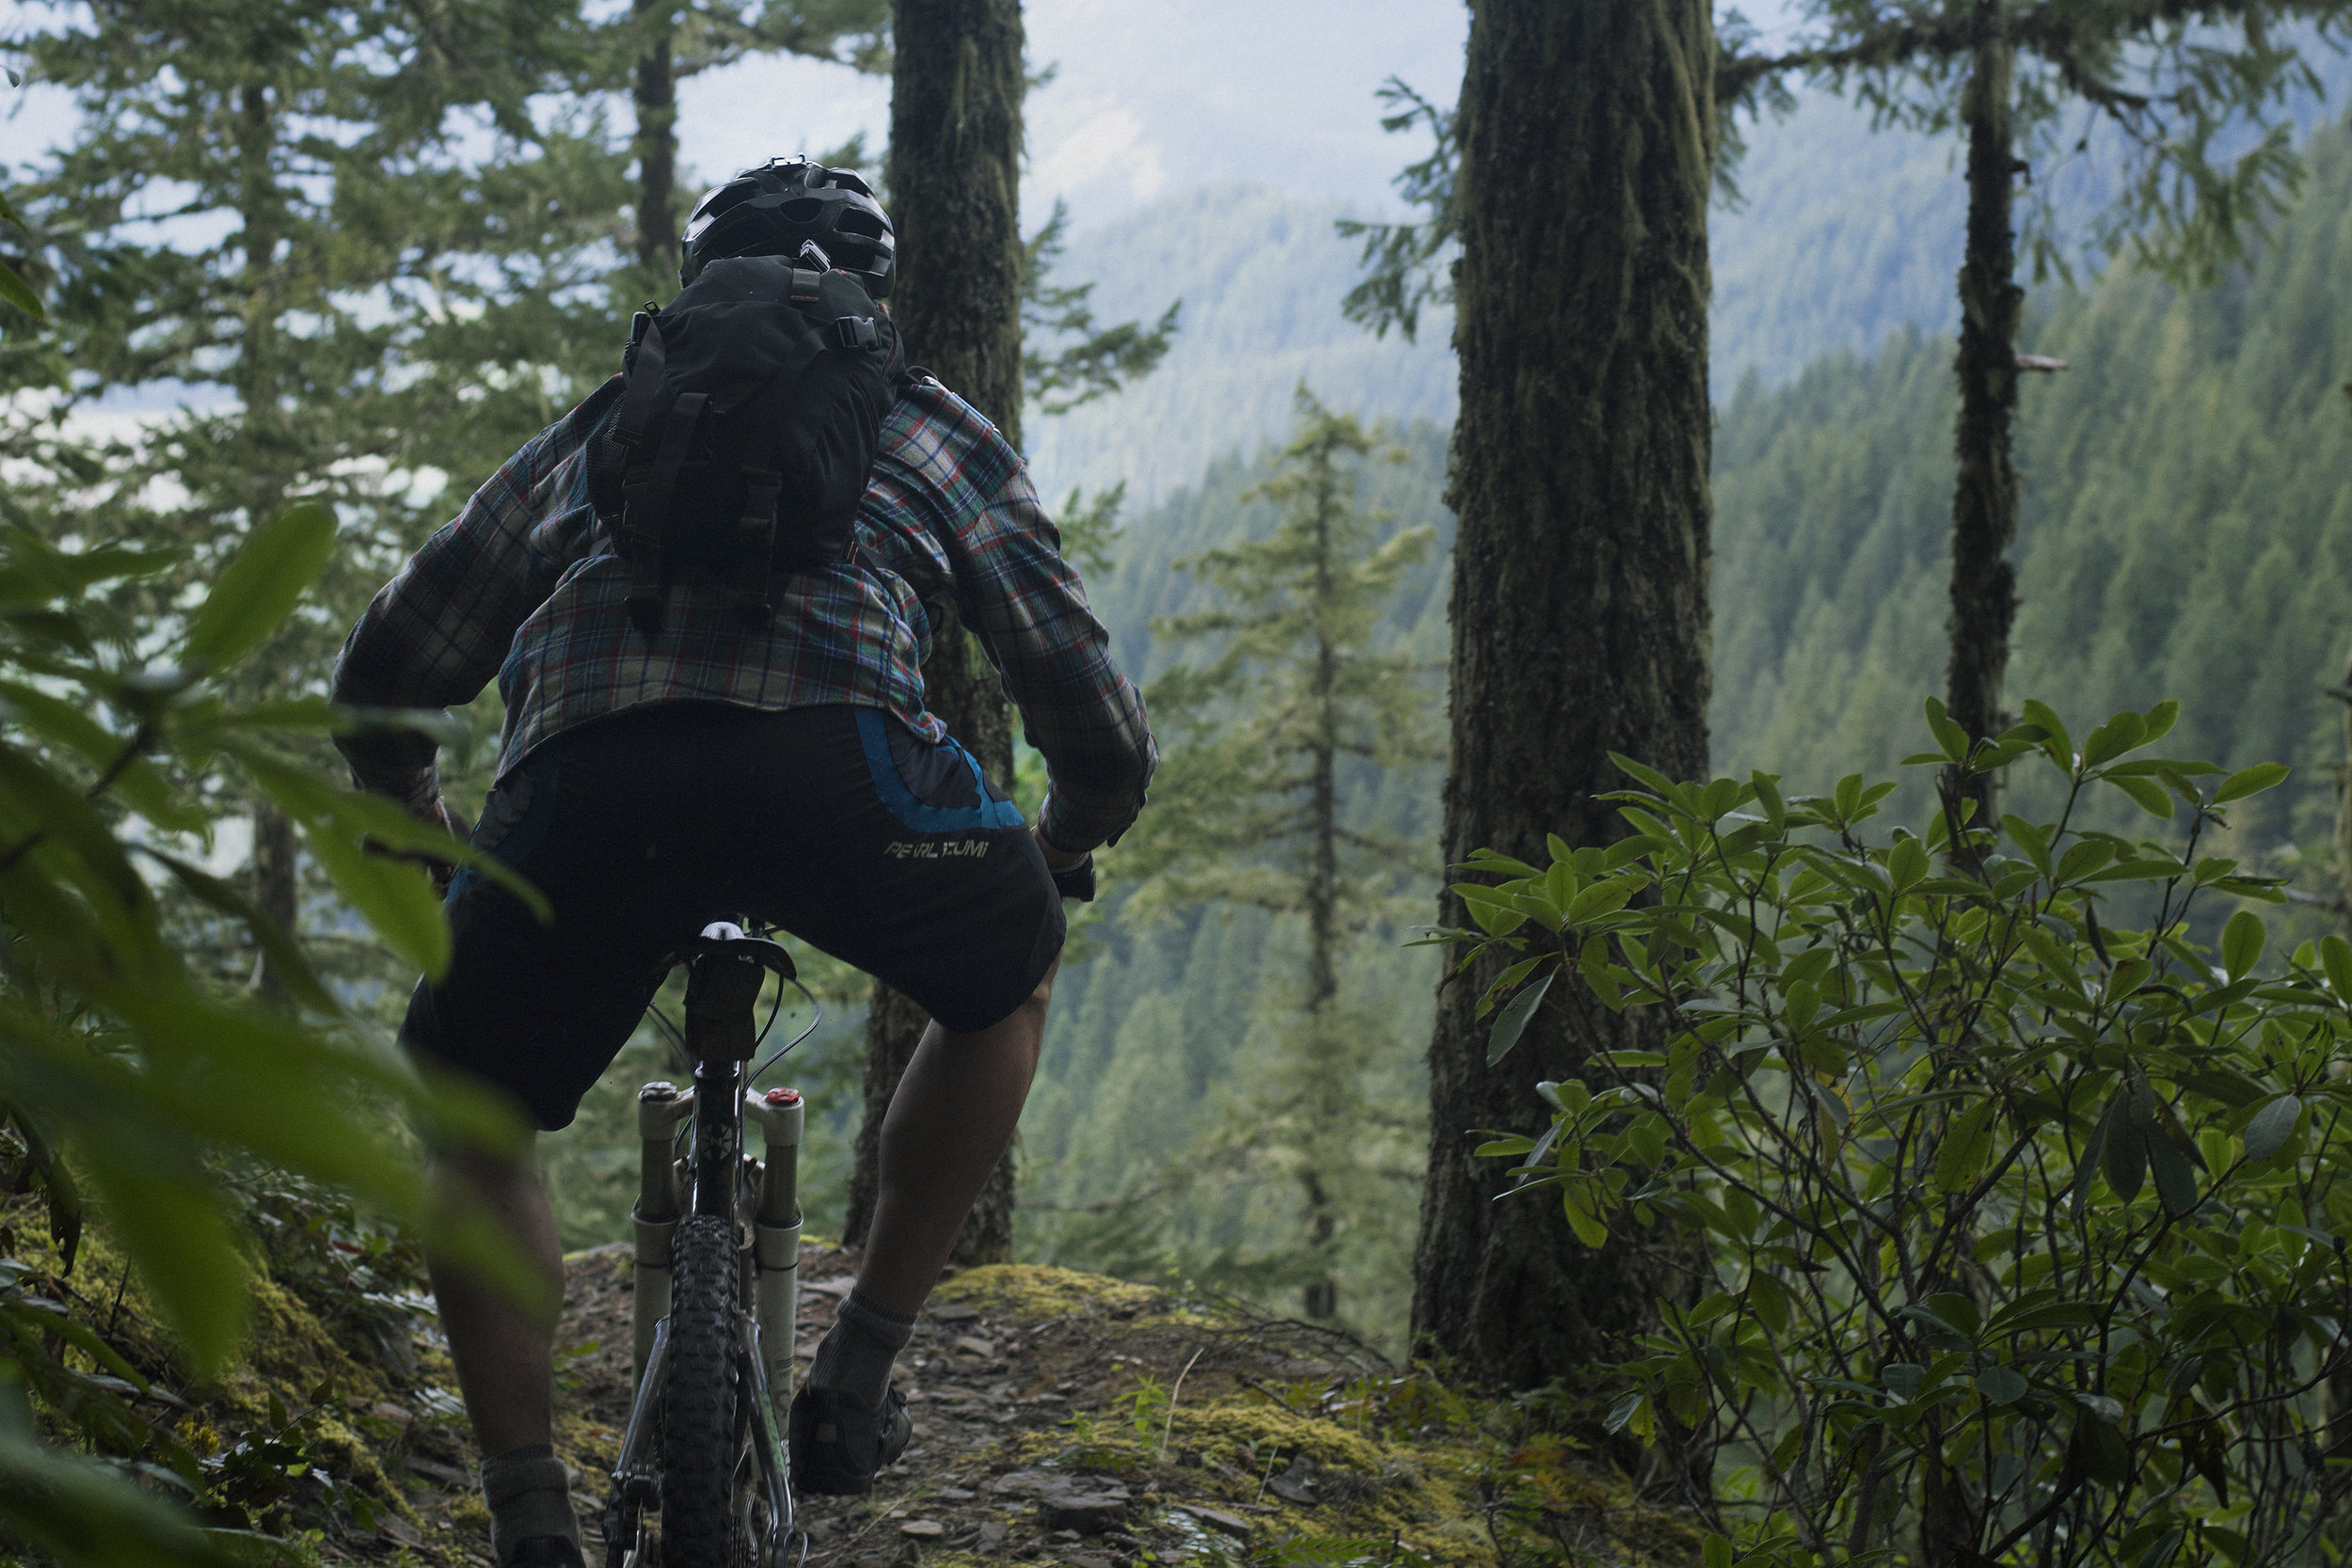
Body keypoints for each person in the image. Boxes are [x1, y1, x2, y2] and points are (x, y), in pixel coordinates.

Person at [330, 156, 1154, 1568]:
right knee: (1006, 986)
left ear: (700, 289)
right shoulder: (927, 425)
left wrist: (435, 841)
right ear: (871, 299)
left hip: (588, 786)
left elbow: (391, 675)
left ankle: (527, 1509)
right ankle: (857, 1374)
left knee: (471, 1108)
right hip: (844, 778)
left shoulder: (607, 430)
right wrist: (1055, 851)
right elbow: (1090, 718)